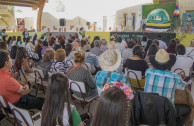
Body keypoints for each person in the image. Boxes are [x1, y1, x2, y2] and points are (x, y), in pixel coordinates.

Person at [144, 49, 191, 126]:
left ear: (155, 63)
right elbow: (183, 86)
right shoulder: (175, 77)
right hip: (166, 112)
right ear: (169, 64)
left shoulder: (148, 72)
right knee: (187, 109)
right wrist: (180, 78)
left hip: (148, 109)